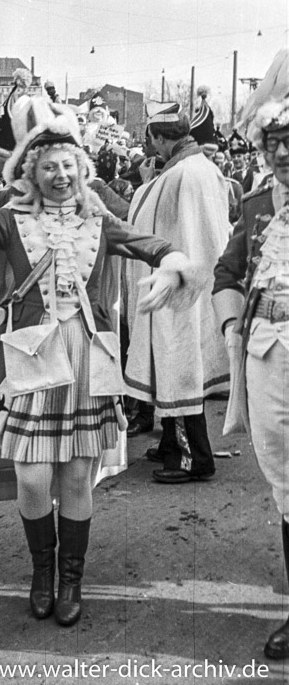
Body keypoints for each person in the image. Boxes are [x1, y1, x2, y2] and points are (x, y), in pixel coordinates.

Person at [0, 95, 199, 626]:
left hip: (87, 362)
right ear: (31, 171)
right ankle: (41, 570)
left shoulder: (100, 223)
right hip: (32, 361)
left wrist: (172, 269)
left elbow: (158, 246)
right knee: (33, 479)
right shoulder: (10, 222)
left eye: (68, 166)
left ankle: (70, 579)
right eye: (49, 166)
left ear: (83, 171)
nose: (60, 174)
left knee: (78, 478)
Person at [212, 49, 289, 660]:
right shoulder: (257, 203)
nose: (285, 153)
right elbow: (227, 269)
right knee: (284, 481)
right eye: (276, 142)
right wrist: (234, 319)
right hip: (267, 353)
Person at [124, 102, 230, 482]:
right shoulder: (199, 168)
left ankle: (193, 458)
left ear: (157, 138)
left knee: (179, 368)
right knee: (171, 364)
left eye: (151, 140)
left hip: (180, 287)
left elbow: (158, 226)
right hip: (189, 280)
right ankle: (171, 443)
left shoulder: (184, 174)